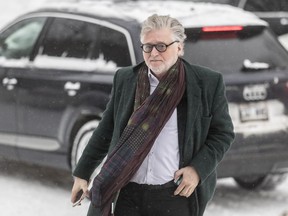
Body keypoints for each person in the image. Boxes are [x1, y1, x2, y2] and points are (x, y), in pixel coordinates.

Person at [71, 14, 234, 216]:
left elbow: (222, 134)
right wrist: (82, 173)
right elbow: (107, 128)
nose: (154, 53)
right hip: (127, 193)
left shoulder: (206, 83)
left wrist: (197, 170)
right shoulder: (126, 79)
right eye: (148, 47)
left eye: (161, 46)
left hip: (174, 195)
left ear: (180, 47)